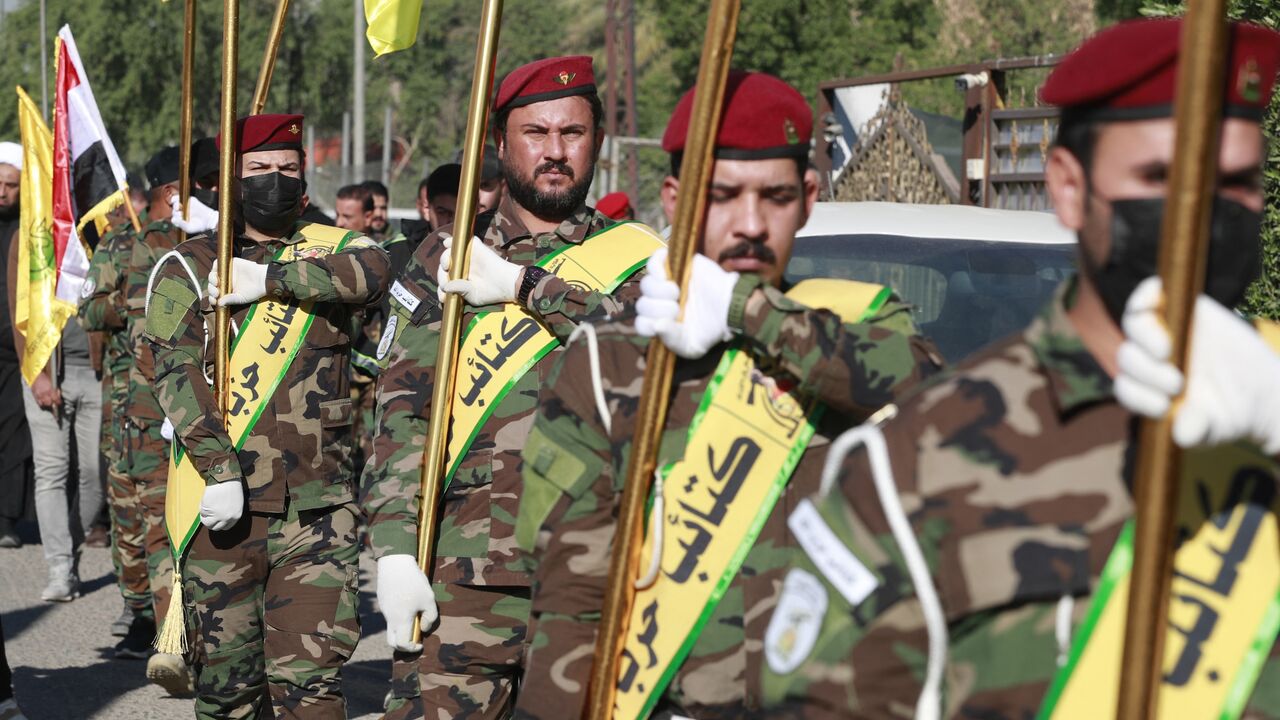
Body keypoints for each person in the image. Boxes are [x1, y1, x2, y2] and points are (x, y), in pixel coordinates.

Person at [761, 18, 1280, 719]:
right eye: (1161, 177)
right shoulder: (917, 463)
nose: (1205, 215)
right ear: (1068, 187)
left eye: (1238, 183)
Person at [512, 71, 942, 719]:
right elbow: (572, 597)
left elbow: (923, 389)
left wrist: (746, 309)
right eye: (724, 196)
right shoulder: (610, 359)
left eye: (773, 197)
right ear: (678, 201)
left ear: (808, 198)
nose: (749, 224)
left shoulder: (860, 327)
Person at [364, 55, 656, 718]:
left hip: (599, 580)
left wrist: (530, 290)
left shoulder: (640, 259)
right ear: (500, 144)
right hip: (463, 580)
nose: (555, 152)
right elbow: (401, 415)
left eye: (572, 134)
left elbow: (649, 360)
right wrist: (393, 552)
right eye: (536, 133)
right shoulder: (444, 259)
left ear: (597, 143)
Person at [149, 113, 390, 719]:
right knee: (228, 690)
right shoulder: (184, 267)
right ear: (228, 181)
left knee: (311, 686)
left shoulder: (333, 250)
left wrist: (270, 281)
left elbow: (379, 270)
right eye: (258, 170)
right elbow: (172, 373)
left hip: (318, 508)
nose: (275, 181)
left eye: (287, 169)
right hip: (221, 510)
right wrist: (218, 465)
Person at [9, 169, 104, 603]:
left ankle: (74, 544)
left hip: (96, 373)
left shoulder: (99, 236)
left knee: (93, 474)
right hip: (48, 372)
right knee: (51, 471)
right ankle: (60, 569)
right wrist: (38, 374)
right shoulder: (28, 242)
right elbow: (20, 313)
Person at [0, 143, 32, 552]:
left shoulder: (30, 229)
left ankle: (6, 518)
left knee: (11, 433)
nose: (3, 192)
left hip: (14, 351)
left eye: (10, 185)